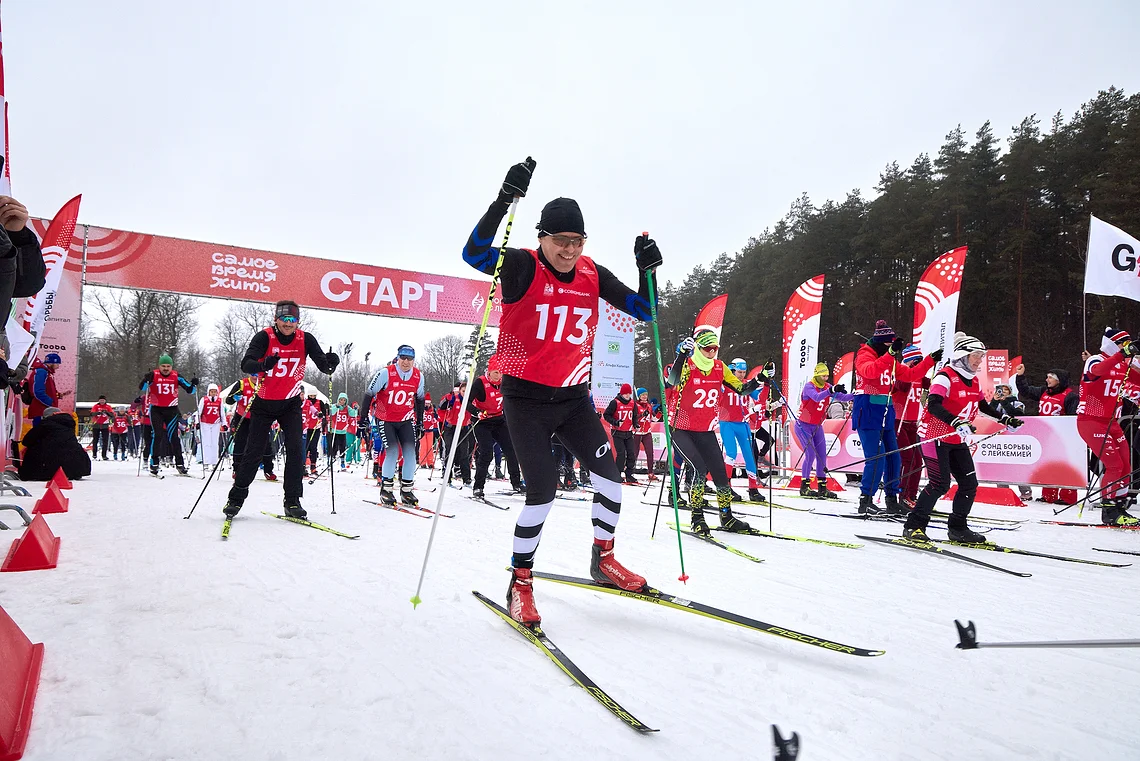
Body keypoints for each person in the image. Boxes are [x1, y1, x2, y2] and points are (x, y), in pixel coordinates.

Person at [462, 157, 659, 624]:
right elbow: (473, 253)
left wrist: (648, 270)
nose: (569, 250)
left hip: (572, 400)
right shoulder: (521, 266)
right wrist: (503, 200)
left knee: (610, 479)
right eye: (560, 240)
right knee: (543, 492)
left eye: (577, 240)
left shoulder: (593, 273)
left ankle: (603, 559)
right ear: (541, 237)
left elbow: (645, 310)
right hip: (526, 400)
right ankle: (520, 580)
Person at [902, 332, 1023, 542]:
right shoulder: (945, 376)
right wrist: (956, 422)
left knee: (969, 484)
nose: (979, 360)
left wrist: (1005, 419)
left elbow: (982, 406)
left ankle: (958, 528)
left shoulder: (973, 380)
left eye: (981, 356)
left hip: (956, 440)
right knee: (939, 484)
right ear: (962, 355)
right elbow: (934, 404)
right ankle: (913, 526)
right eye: (976, 355)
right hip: (934, 437)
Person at [222, 301, 338, 520]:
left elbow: (324, 366)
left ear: (298, 322)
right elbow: (246, 364)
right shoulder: (264, 337)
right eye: (283, 319)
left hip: (290, 403)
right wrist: (263, 364)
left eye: (292, 320)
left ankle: (292, 501)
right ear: (276, 319)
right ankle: (235, 499)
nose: (288, 323)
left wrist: (331, 363)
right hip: (264, 403)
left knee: (296, 450)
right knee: (254, 451)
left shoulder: (306, 339)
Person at [666, 330, 764, 535]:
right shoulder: (688, 364)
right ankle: (697, 518)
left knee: (719, 471)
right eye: (707, 349)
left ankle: (727, 516)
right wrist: (681, 355)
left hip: (704, 429)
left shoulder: (719, 367)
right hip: (681, 428)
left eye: (715, 349)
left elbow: (742, 389)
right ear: (698, 348)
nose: (711, 353)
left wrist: (760, 379)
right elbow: (672, 381)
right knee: (698, 468)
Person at [852, 321, 940, 515]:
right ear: (881, 343)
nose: (891, 348)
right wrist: (890, 354)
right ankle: (865, 500)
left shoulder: (889, 359)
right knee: (877, 458)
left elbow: (911, 374)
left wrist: (929, 361)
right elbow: (869, 371)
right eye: (888, 345)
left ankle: (891, 498)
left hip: (886, 412)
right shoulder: (865, 354)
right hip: (868, 410)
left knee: (894, 458)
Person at [1077, 328, 1138, 527]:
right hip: (1091, 420)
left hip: (1111, 422)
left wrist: (1131, 359)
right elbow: (1097, 371)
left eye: (1128, 345)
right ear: (1112, 344)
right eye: (1122, 344)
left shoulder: (1122, 364)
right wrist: (1122, 355)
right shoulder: (1095, 359)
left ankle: (1119, 507)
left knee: (1126, 465)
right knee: (1114, 465)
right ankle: (1109, 510)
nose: (1125, 348)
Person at [364, 344, 426, 506]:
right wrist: (363, 419)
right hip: (386, 419)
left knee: (410, 454)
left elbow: (420, 399)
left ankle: (406, 491)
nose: (406, 362)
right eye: (403, 358)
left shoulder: (418, 376)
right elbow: (369, 394)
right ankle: (386, 490)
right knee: (392, 452)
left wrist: (420, 422)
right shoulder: (385, 373)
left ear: (413, 360)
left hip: (405, 419)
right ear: (397, 358)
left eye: (410, 359)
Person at [1014, 364, 1079, 505]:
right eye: (1047, 377)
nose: (1047, 380)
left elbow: (1073, 417)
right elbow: (1026, 391)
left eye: (1050, 378)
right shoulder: (1044, 391)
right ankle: (1049, 495)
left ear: (1059, 380)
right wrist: (1020, 376)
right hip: (1046, 435)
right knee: (1048, 465)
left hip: (1062, 437)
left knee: (1064, 467)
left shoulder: (1070, 396)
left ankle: (1068, 497)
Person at [795, 363, 855, 498]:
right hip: (803, 425)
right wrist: (831, 390)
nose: (825, 378)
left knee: (822, 456)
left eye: (827, 376)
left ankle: (822, 487)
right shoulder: (809, 386)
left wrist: (855, 394)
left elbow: (842, 397)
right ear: (817, 375)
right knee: (810, 454)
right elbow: (817, 397)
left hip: (817, 426)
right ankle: (804, 487)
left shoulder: (827, 387)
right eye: (823, 376)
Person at [470, 355, 523, 498]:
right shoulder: (480, 383)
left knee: (511, 451)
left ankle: (516, 483)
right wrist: (477, 412)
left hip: (499, 420)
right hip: (483, 422)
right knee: (487, 453)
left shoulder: (505, 382)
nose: (498, 376)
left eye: (501, 372)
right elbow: (466, 402)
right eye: (495, 372)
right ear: (489, 371)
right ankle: (478, 486)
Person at [139, 354, 198, 476]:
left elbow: (190, 391)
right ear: (159, 366)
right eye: (163, 366)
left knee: (174, 437)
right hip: (156, 409)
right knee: (157, 435)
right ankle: (154, 463)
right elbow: (143, 388)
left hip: (171, 409)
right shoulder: (154, 374)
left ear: (171, 366)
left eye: (168, 366)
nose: (166, 368)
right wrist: (146, 379)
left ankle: (180, 464)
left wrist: (194, 384)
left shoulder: (176, 376)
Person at [719, 359, 766, 502]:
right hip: (727, 423)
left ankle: (753, 489)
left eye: (744, 372)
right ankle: (726, 488)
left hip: (742, 424)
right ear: (732, 371)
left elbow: (758, 397)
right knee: (731, 454)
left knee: (749, 455)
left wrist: (766, 383)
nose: (742, 375)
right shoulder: (725, 383)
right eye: (739, 372)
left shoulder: (746, 384)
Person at [892, 344, 930, 508]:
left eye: (921, 361)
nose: (919, 365)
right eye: (917, 361)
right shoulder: (900, 374)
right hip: (898, 422)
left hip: (912, 423)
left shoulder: (920, 377)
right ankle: (903, 494)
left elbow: (932, 385)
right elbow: (899, 387)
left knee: (918, 460)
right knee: (908, 459)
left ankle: (912, 495)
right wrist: (909, 373)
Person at [225, 375, 276, 481]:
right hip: (242, 417)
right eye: (253, 374)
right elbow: (228, 400)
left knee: (265, 443)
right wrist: (234, 397)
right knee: (240, 443)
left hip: (259, 418)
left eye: (257, 374)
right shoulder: (241, 384)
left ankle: (268, 469)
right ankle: (237, 469)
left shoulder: (264, 383)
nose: (255, 377)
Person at [19, 406, 91, 481]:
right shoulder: (69, 424)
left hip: (48, 467)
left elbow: (26, 441)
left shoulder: (45, 424)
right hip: (77, 467)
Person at [602, 383, 640, 485]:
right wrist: (615, 422)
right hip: (617, 432)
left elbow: (634, 416)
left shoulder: (632, 403)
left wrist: (635, 424)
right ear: (621, 393)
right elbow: (606, 415)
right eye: (625, 393)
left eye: (629, 393)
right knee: (621, 454)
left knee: (631, 454)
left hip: (628, 432)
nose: (627, 395)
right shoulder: (615, 402)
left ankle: (629, 474)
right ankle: (617, 474)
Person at [438, 378, 473, 487]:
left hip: (463, 428)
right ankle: (447, 476)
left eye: (466, 391)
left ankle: (466, 478)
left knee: (464, 453)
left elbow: (474, 411)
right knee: (449, 451)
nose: (464, 393)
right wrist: (449, 400)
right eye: (463, 391)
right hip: (451, 428)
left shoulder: (469, 400)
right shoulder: (452, 398)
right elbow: (441, 408)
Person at [26, 352, 67, 426]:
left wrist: (57, 395)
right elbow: (37, 391)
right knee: (41, 431)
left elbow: (48, 390)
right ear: (50, 363)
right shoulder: (41, 372)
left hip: (46, 410)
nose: (58, 367)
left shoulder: (47, 372)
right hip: (42, 410)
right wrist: (51, 402)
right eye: (57, 364)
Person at [632, 388, 656, 481]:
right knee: (635, 453)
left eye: (646, 394)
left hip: (647, 432)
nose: (645, 396)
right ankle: (630, 471)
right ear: (639, 396)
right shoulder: (635, 405)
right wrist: (642, 415)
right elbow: (633, 418)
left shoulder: (649, 406)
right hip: (637, 432)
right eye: (642, 395)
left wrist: (660, 412)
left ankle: (650, 472)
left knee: (650, 452)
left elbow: (654, 419)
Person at [197, 384, 224, 467]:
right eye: (211, 392)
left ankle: (214, 461)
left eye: (215, 392)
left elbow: (222, 413)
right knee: (207, 442)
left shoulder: (219, 400)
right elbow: (199, 412)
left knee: (214, 443)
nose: (213, 393)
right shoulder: (204, 400)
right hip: (205, 423)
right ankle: (206, 461)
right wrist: (197, 422)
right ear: (208, 392)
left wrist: (224, 424)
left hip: (216, 423)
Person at [301, 391, 324, 475]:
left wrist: (320, 415)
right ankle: (301, 466)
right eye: (311, 395)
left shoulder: (309, 402)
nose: (312, 397)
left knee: (312, 447)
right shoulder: (296, 402)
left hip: (312, 428)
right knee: (303, 448)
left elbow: (316, 411)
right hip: (301, 428)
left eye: (302, 394)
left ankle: (312, 466)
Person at [328, 393, 352, 470]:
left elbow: (353, 414)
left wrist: (355, 409)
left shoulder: (347, 408)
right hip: (334, 430)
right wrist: (336, 407)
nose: (342, 402)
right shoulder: (334, 406)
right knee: (333, 446)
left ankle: (342, 462)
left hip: (342, 431)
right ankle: (330, 460)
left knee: (342, 447)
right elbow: (332, 412)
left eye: (344, 400)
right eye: (341, 400)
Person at [89, 394, 114, 461]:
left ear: (105, 401)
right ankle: (94, 454)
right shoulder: (96, 406)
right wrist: (98, 413)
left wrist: (106, 412)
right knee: (95, 440)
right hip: (96, 425)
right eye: (100, 400)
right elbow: (91, 413)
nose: (102, 401)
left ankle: (104, 455)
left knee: (105, 441)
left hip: (105, 425)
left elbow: (112, 415)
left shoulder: (108, 406)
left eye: (103, 400)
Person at [418, 396, 439, 470]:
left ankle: (430, 462)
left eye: (428, 403)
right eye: (426, 403)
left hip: (430, 430)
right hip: (423, 431)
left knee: (430, 447)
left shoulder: (432, 409)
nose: (427, 405)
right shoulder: (421, 409)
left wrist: (435, 417)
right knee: (423, 447)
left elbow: (436, 418)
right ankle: (423, 462)